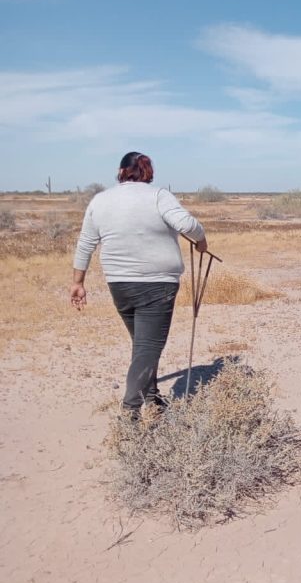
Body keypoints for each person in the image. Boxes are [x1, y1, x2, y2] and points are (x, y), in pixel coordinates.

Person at [70, 152, 208, 418]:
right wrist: (201, 241)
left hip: (119, 284)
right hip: (157, 284)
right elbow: (187, 224)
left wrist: (78, 282)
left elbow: (86, 242)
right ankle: (130, 411)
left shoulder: (100, 200)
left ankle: (153, 397)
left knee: (143, 344)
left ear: (121, 171)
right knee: (147, 347)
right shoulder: (158, 196)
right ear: (149, 173)